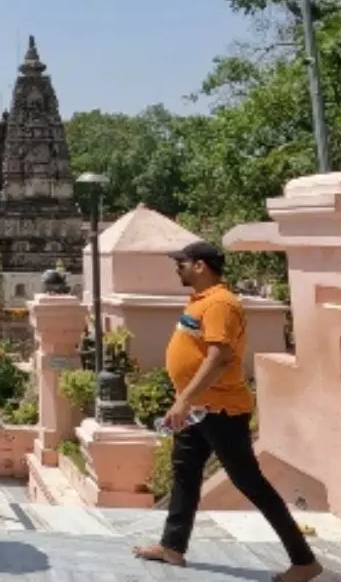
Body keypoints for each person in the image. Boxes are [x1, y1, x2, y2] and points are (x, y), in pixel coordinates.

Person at [133, 242, 322, 582]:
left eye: (183, 263)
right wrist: (186, 400)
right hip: (198, 409)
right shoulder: (202, 301)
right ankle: (172, 546)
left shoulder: (221, 303)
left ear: (201, 266)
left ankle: (304, 560)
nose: (178, 268)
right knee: (184, 474)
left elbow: (219, 357)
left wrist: (184, 399)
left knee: (250, 482)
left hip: (221, 409)